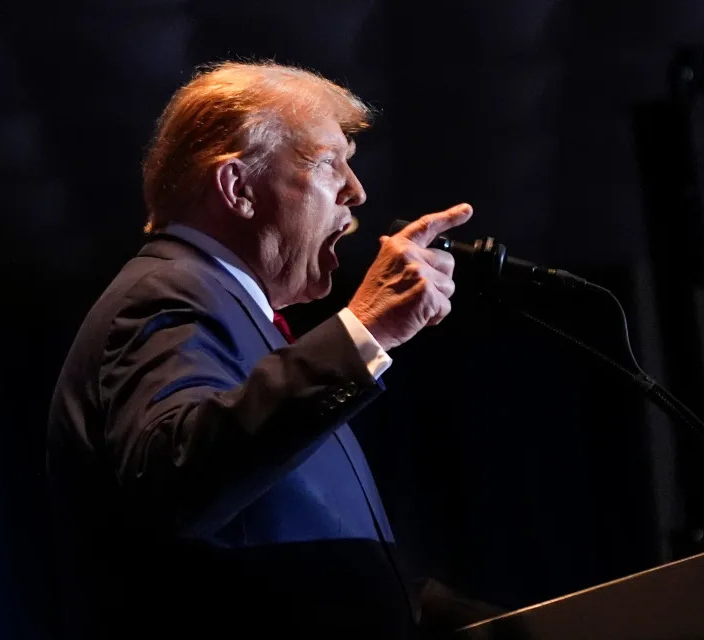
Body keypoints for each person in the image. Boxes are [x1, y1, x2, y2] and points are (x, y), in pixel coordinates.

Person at [46, 61, 478, 639]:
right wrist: (364, 328)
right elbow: (178, 477)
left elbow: (288, 550)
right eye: (329, 163)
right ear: (238, 189)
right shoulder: (165, 293)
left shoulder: (244, 318)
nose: (357, 191)